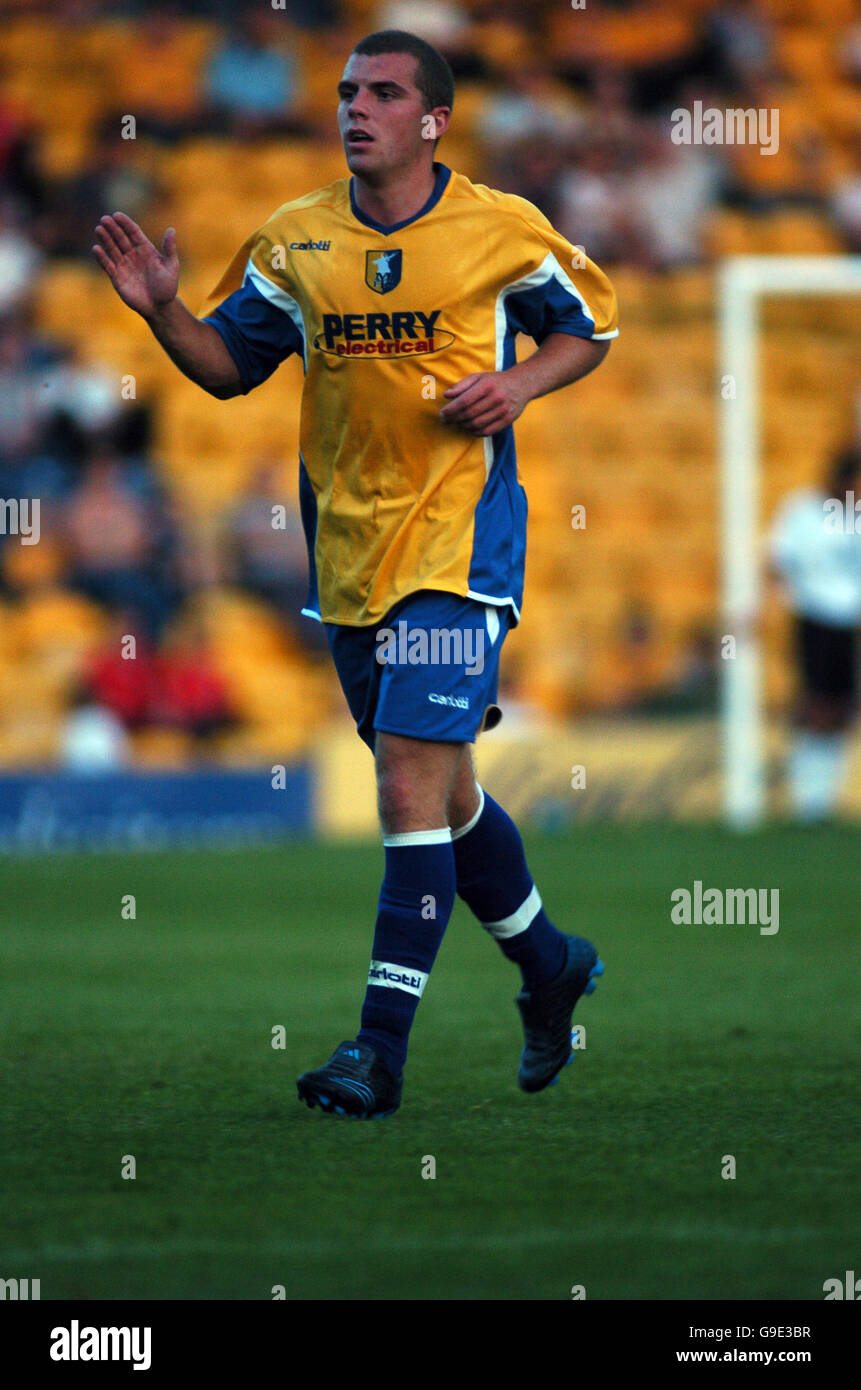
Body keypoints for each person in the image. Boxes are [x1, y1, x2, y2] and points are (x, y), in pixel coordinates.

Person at [92, 29, 618, 1118]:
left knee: (403, 786)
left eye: (383, 93)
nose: (356, 107)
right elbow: (230, 368)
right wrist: (163, 313)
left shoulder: (498, 229)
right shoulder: (295, 240)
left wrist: (518, 387)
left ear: (434, 120)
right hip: (349, 562)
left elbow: (594, 326)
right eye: (346, 91)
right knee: (451, 796)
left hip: (460, 554)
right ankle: (552, 964)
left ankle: (375, 1055)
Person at [769, 447, 861, 822]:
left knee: (843, 710)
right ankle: (808, 800)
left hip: (851, 623)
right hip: (814, 618)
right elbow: (776, 560)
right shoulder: (802, 510)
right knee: (815, 706)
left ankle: (824, 798)